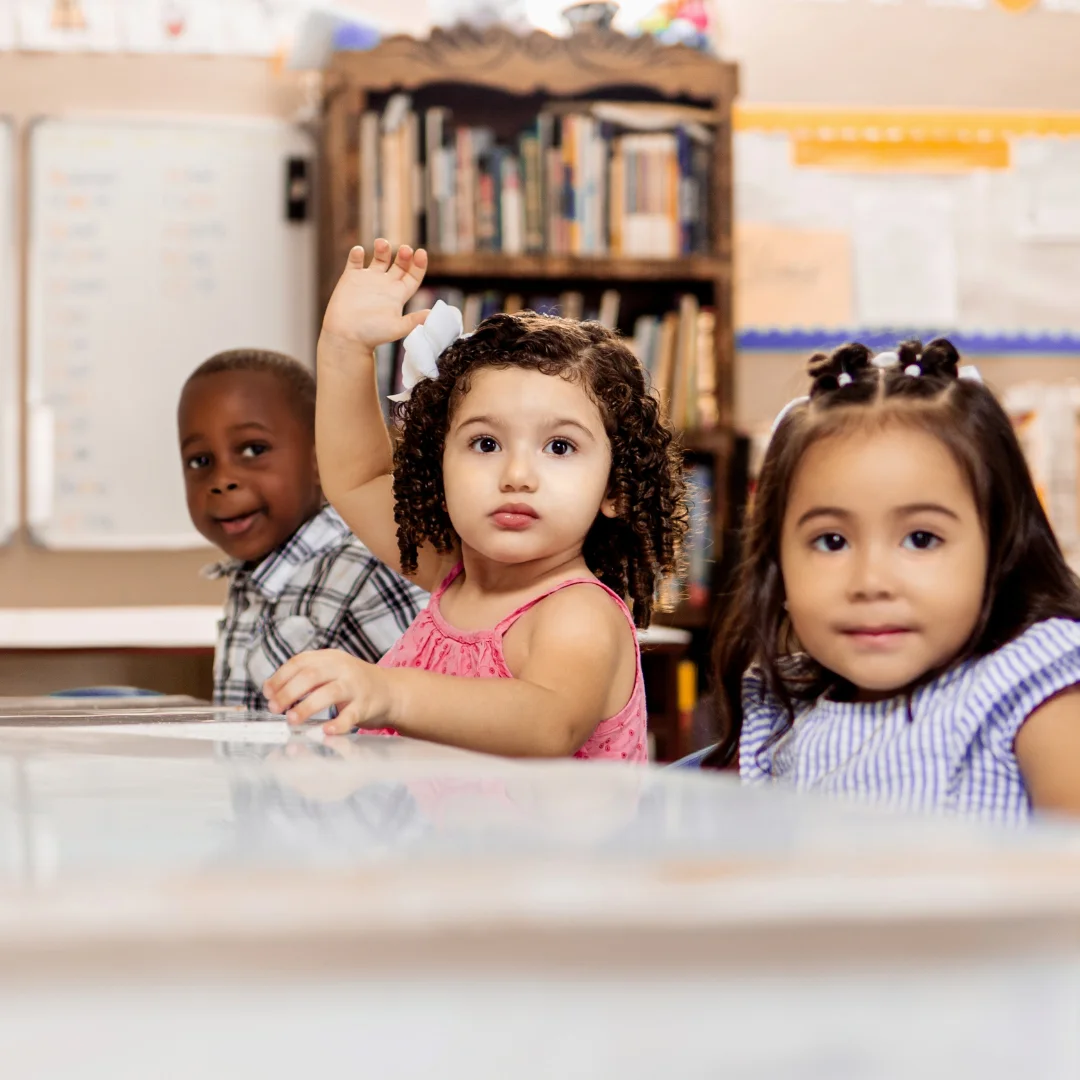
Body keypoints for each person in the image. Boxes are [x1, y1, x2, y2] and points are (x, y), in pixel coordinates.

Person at [264, 241, 687, 759]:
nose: (516, 475)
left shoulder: (579, 612)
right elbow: (358, 475)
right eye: (485, 444)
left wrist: (389, 691)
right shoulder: (452, 572)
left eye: (560, 447)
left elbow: (549, 722)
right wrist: (345, 349)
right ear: (437, 463)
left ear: (616, 488)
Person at [696, 338, 1080, 821]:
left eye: (921, 539)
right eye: (831, 542)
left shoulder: (1033, 683)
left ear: (1000, 550)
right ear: (778, 566)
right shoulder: (785, 709)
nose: (872, 581)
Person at [178, 348, 427, 710]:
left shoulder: (368, 570)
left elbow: (440, 707)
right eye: (200, 460)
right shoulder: (251, 579)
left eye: (253, 449)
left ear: (319, 459)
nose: (222, 480)